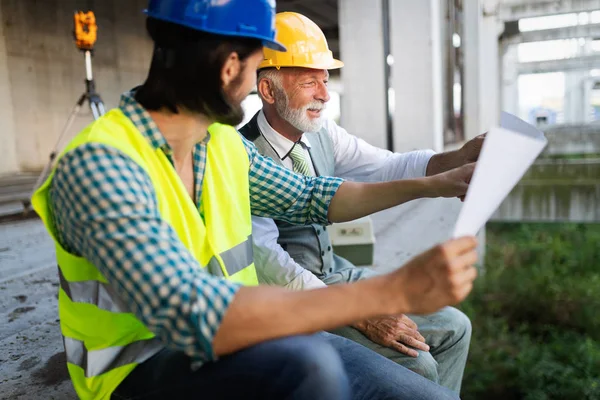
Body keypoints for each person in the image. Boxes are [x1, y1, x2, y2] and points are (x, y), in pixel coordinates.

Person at [31, 1, 478, 399]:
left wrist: (439, 181)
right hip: (142, 368)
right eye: (255, 63)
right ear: (231, 68)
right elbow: (190, 315)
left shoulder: (222, 144)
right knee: (310, 368)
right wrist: (386, 293)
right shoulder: (100, 164)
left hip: (250, 335)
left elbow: (311, 197)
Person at [239, 12, 486, 395]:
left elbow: (385, 165)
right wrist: (358, 309)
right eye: (310, 82)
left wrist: (458, 157)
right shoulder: (240, 154)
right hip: (294, 296)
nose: (324, 94)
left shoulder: (322, 133)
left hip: (336, 273)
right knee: (416, 363)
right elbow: (273, 265)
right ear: (269, 91)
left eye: (325, 79)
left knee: (456, 327)